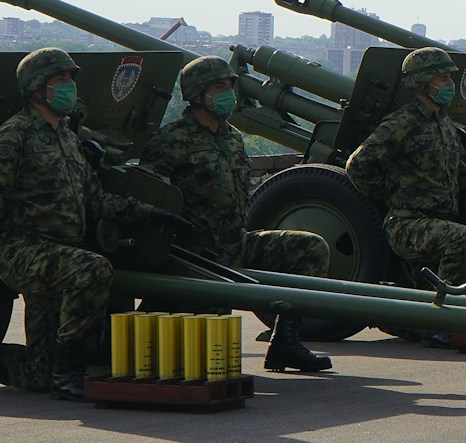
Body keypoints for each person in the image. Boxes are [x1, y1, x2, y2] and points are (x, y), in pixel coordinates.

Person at [0, 49, 185, 398]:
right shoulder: (14, 136)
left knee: (39, 374)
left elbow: (95, 199)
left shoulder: (68, 138)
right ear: (36, 89)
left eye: (70, 78)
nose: (69, 86)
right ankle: (70, 372)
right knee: (92, 269)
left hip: (59, 254)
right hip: (23, 249)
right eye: (60, 80)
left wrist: (147, 213)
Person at [142, 56, 332, 373]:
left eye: (229, 86)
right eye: (219, 87)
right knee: (206, 362)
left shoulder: (232, 138)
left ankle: (285, 342)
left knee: (310, 248)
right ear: (197, 94)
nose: (228, 94)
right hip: (197, 254)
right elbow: (152, 196)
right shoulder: (169, 141)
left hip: (236, 243)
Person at [345, 46, 466, 296]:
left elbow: (464, 174)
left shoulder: (444, 124)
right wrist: (388, 193)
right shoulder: (402, 122)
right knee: (463, 239)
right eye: (443, 78)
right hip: (408, 223)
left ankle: (433, 310)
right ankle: (447, 309)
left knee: (425, 289)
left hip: (439, 223)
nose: (450, 85)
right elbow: (358, 164)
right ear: (422, 83)